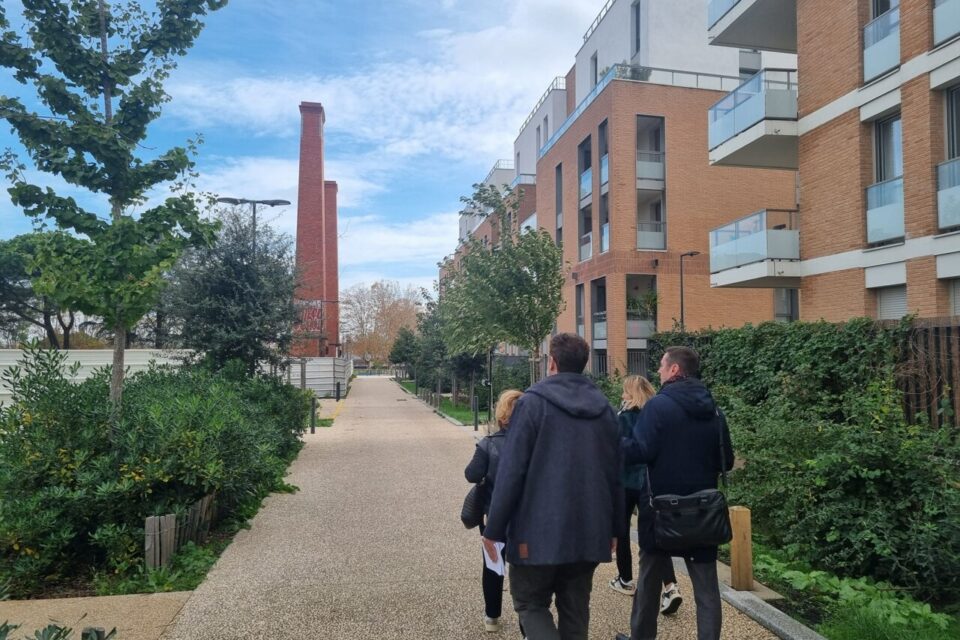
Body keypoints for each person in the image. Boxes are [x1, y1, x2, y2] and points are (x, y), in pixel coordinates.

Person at [482, 332, 622, 640]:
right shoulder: (605, 409)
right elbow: (615, 473)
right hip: (589, 529)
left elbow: (511, 471)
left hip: (537, 529)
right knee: (576, 609)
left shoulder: (532, 404)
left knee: (530, 603)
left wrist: (493, 529)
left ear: (552, 363)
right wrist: (614, 528)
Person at [616, 346, 734, 640]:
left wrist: (615, 442)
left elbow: (640, 451)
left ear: (674, 370)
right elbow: (727, 460)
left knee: (649, 580)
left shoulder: (658, 406)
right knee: (707, 589)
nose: (658, 371)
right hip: (705, 510)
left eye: (661, 365)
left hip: (661, 509)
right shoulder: (714, 410)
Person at [609, 376, 683, 617]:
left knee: (621, 530)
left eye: (624, 392)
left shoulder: (623, 417)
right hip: (651, 482)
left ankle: (625, 579)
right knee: (654, 535)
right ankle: (670, 586)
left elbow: (617, 449)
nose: (622, 396)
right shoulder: (656, 416)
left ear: (631, 394)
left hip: (626, 480)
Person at [464, 389, 525, 633]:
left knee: (493, 563)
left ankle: (492, 615)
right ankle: (527, 623)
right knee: (525, 569)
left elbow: (471, 474)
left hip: (493, 515)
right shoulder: (536, 445)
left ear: (501, 414)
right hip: (527, 516)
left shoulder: (489, 444)